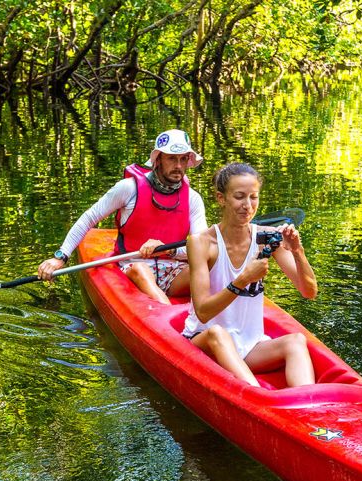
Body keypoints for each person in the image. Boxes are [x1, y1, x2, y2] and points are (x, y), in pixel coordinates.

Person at [182, 163, 318, 388]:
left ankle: (308, 407)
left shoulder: (269, 238)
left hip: (250, 345)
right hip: (206, 339)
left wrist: (298, 252)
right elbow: (203, 312)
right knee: (218, 333)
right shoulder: (201, 243)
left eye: (253, 197)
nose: (248, 206)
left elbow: (309, 291)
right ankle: (259, 398)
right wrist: (243, 279)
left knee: (296, 341)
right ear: (221, 198)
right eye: (239, 197)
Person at [36, 129, 208, 304]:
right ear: (158, 160)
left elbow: (202, 248)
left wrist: (170, 250)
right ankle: (166, 311)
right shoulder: (128, 188)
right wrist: (60, 257)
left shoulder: (193, 199)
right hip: (134, 266)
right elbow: (89, 217)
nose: (179, 166)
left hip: (174, 270)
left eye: (183, 158)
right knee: (140, 269)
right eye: (172, 158)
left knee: (210, 267)